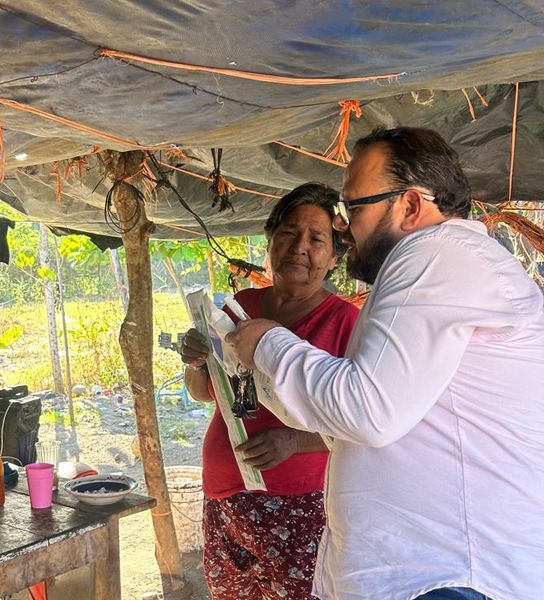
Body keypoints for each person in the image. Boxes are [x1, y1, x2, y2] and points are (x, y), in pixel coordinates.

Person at [227, 127, 544, 600]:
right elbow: (346, 417)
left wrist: (270, 340)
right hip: (424, 571)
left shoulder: (437, 254)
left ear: (411, 206)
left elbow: (367, 412)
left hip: (447, 577)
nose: (341, 225)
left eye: (351, 208)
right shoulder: (436, 265)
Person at [180, 182, 360, 599]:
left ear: (334, 257)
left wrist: (294, 441)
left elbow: (363, 420)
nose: (300, 247)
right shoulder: (241, 306)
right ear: (271, 240)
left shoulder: (345, 323)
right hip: (225, 490)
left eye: (317, 240)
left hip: (298, 501)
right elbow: (203, 392)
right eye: (289, 233)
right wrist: (195, 360)